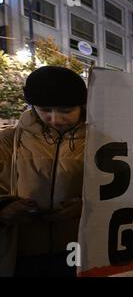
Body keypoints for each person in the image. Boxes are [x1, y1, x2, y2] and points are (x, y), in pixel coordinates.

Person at [0, 66, 87, 277]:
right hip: (24, 254)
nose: (55, 119)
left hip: (80, 250)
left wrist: (86, 206)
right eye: (45, 110)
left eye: (66, 111)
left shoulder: (100, 141)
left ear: (82, 106)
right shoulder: (9, 141)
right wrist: (5, 210)